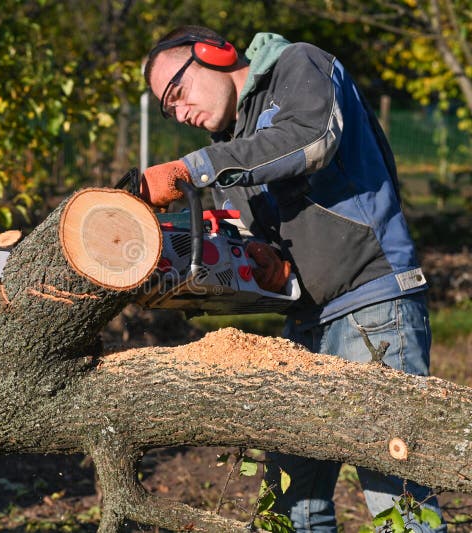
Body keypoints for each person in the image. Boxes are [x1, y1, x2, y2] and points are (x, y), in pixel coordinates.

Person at [141, 25, 446, 532]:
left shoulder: (297, 66)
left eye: (178, 92)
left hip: (374, 306)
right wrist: (269, 262)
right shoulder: (229, 147)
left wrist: (193, 168)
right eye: (167, 109)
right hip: (306, 325)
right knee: (289, 502)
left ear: (214, 54)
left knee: (396, 491)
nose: (179, 112)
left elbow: (312, 139)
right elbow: (258, 238)